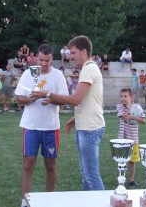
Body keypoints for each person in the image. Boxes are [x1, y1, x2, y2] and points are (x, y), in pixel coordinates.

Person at [31, 35, 106, 191]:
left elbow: (75, 99)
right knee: (86, 174)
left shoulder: (88, 69)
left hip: (90, 130)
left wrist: (47, 94)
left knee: (91, 176)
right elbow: (96, 102)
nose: (70, 57)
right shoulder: (89, 69)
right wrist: (75, 118)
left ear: (84, 51)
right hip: (86, 127)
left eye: (73, 53)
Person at [15, 44, 68, 207]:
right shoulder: (28, 73)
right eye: (41, 60)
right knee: (28, 163)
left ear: (52, 59)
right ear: (36, 58)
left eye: (47, 60)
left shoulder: (58, 75)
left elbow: (65, 101)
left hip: (51, 127)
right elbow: (19, 98)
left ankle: (49, 201)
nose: (44, 63)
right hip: (31, 126)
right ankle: (25, 201)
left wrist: (51, 98)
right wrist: (29, 99)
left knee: (51, 165)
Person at [117, 88, 146, 188]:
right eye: (121, 96)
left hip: (134, 138)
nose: (123, 98)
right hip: (123, 139)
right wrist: (129, 107)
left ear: (131, 97)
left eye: (125, 96)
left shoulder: (138, 107)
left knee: (132, 161)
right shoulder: (120, 106)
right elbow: (125, 117)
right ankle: (122, 179)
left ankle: (132, 180)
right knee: (122, 160)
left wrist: (133, 117)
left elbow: (144, 121)